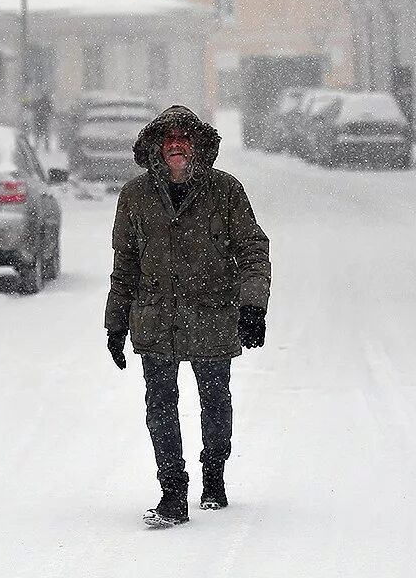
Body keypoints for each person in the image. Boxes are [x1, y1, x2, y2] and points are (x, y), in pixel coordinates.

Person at [104, 105, 272, 528]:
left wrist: (253, 307)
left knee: (214, 401)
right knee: (160, 406)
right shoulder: (135, 197)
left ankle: (213, 476)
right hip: (155, 319)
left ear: (198, 145)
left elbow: (253, 250)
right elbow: (124, 265)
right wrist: (116, 323)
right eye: (168, 138)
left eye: (184, 137)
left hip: (213, 315)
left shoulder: (226, 191)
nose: (176, 145)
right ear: (156, 147)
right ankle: (172, 493)